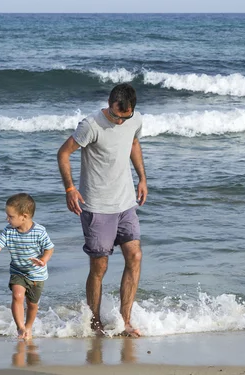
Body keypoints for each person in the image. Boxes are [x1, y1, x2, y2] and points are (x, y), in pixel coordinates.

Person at [57, 83, 147, 337]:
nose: (121, 121)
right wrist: (70, 189)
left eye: (125, 116)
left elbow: (133, 144)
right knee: (100, 267)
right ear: (109, 104)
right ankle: (95, 323)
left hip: (126, 203)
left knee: (135, 256)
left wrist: (142, 178)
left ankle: (125, 321)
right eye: (117, 115)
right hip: (97, 207)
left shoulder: (134, 119)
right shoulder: (91, 125)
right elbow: (63, 154)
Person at [0, 193, 54, 340]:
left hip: (37, 274)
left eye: (10, 216)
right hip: (18, 271)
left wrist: (44, 260)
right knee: (17, 296)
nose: (7, 219)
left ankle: (28, 327)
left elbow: (49, 248)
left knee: (32, 305)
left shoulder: (39, 231)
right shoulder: (9, 231)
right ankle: (20, 328)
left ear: (24, 216)